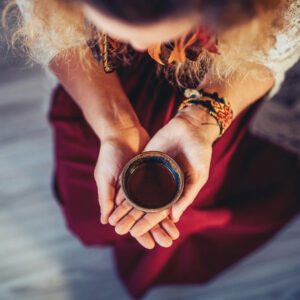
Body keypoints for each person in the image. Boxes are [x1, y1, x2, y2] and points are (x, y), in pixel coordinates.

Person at [3, 0, 300, 297]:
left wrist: (201, 121)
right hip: (92, 73)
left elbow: (266, 57)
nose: (141, 45)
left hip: (215, 76)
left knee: (191, 211)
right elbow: (52, 31)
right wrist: (114, 125)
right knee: (89, 214)